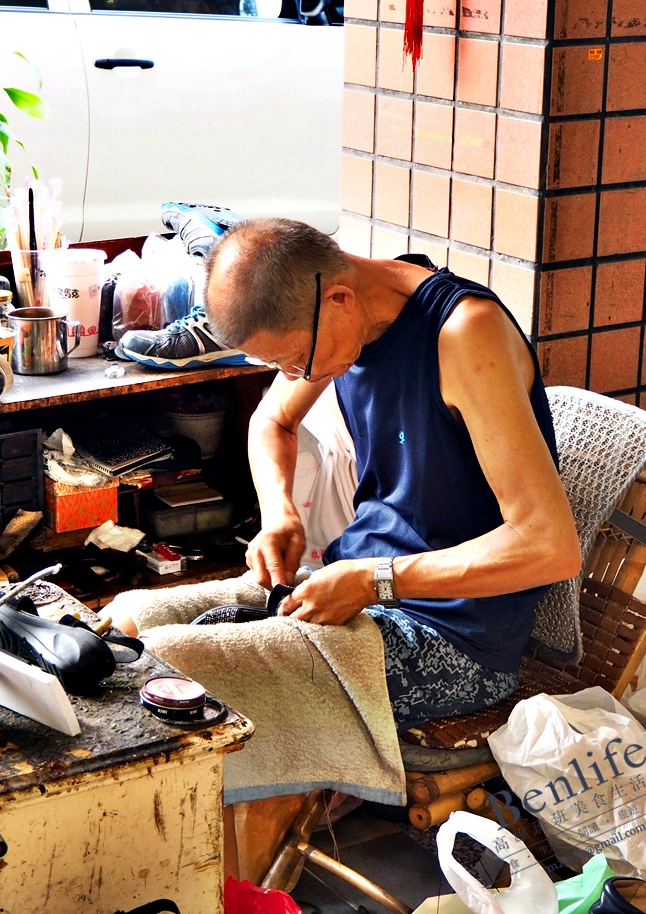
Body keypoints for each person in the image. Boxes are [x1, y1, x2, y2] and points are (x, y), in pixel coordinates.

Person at [110, 217, 582, 728]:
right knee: (129, 620)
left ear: (339, 299)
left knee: (176, 666)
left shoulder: (464, 334)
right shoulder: (348, 314)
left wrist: (373, 580)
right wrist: (280, 517)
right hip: (356, 591)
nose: (298, 378)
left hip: (455, 638)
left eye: (297, 361)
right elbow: (273, 419)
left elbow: (550, 548)